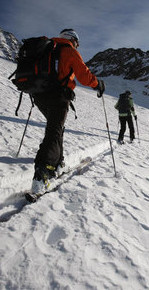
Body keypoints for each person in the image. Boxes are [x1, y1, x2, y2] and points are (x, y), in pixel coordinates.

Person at [32, 29, 105, 194]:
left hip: (38, 96)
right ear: (73, 39)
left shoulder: (47, 49)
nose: (77, 46)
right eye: (77, 43)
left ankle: (58, 162)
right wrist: (97, 84)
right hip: (58, 97)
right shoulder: (69, 50)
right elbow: (84, 75)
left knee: (56, 128)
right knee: (54, 131)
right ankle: (42, 174)